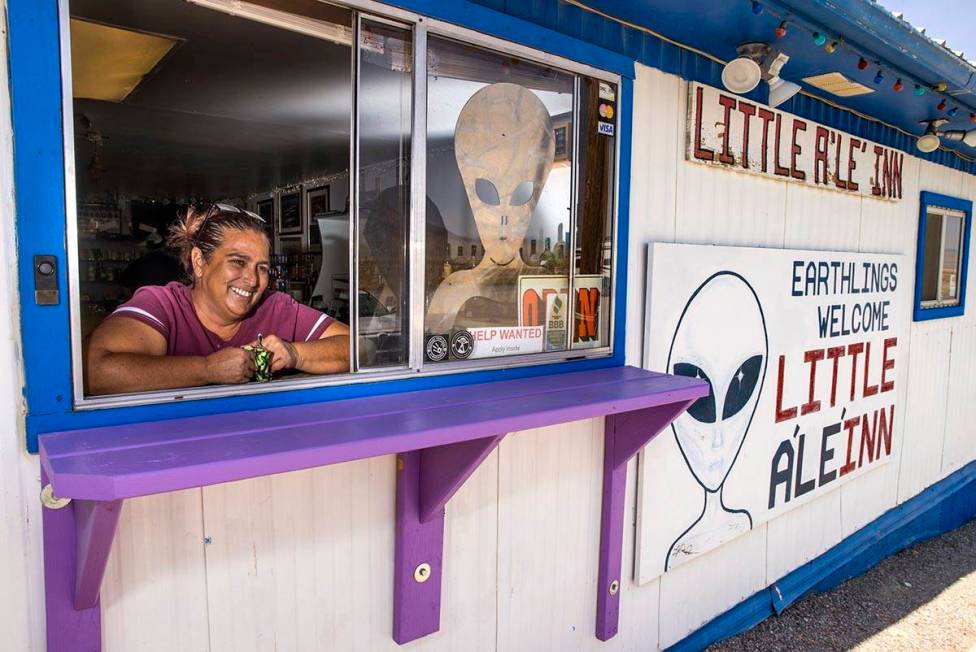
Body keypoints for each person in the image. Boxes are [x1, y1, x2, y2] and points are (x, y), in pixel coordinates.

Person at [85, 203, 350, 395]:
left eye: (262, 267)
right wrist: (206, 369)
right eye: (238, 262)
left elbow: (358, 349)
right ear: (199, 262)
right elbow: (95, 372)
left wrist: (295, 353)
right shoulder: (161, 305)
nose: (253, 280)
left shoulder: (276, 306)